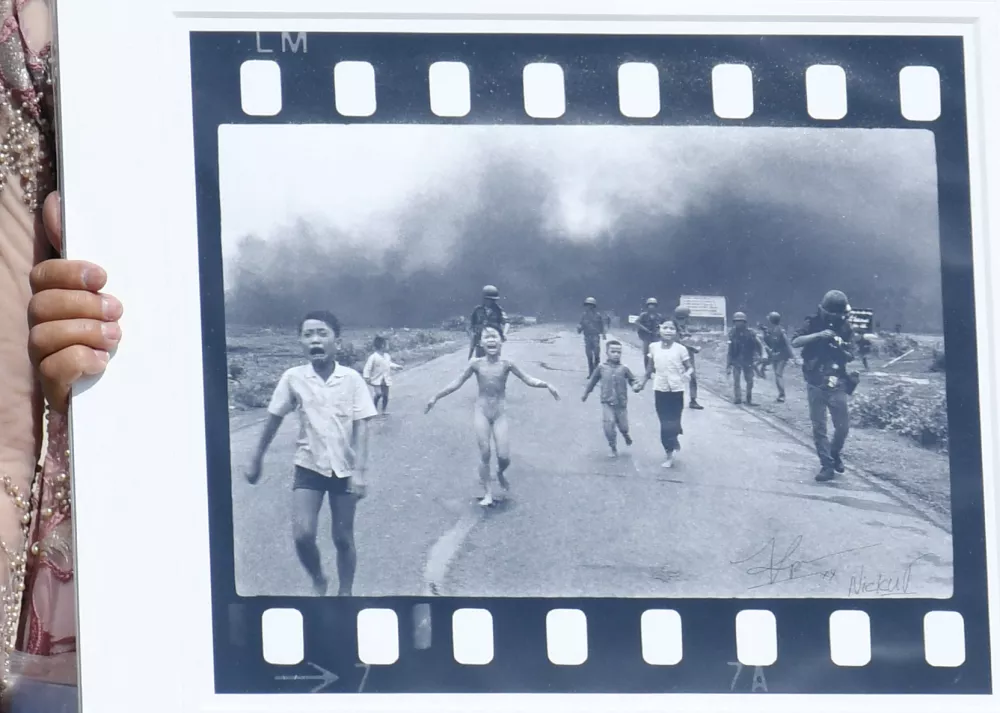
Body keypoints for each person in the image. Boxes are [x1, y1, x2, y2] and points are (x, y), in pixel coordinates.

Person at [245, 310, 378, 596]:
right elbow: (273, 418)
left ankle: (345, 593)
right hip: (309, 466)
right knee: (303, 535)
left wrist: (361, 472)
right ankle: (318, 577)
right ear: (301, 343)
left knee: (343, 538)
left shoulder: (352, 379)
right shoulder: (293, 378)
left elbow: (362, 426)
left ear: (337, 342)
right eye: (308, 335)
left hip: (344, 470)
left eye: (322, 333)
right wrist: (256, 457)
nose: (315, 340)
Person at [425, 327, 560, 507]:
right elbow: (456, 383)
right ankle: (487, 492)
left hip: (499, 413)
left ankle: (500, 473)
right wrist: (436, 396)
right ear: (481, 343)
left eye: (494, 337)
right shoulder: (476, 364)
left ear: (501, 342)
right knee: (485, 453)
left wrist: (547, 385)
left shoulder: (507, 364)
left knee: (504, 456)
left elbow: (528, 379)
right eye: (487, 338)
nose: (491, 340)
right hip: (481, 411)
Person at [791, 290, 858, 482]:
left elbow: (852, 353)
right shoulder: (811, 322)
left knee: (843, 427)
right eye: (833, 314)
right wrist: (818, 335)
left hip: (837, 381)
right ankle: (827, 465)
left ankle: (834, 454)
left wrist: (841, 347)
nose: (836, 318)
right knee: (819, 426)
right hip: (815, 381)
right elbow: (795, 341)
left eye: (839, 314)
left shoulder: (846, 328)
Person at [637, 321, 693, 469]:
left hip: (676, 389)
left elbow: (689, 368)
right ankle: (669, 454)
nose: (668, 331)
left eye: (672, 328)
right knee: (664, 423)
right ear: (659, 330)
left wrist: (687, 375)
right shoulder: (653, 347)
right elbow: (649, 369)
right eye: (665, 328)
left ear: (676, 332)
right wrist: (641, 383)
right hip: (660, 389)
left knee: (674, 421)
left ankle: (674, 433)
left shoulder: (681, 349)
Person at [582, 340, 638, 458]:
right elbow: (592, 381)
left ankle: (625, 434)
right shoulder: (601, 368)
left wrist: (635, 386)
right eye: (613, 351)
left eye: (619, 352)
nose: (616, 354)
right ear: (607, 352)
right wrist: (586, 393)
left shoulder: (624, 369)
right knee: (609, 424)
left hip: (621, 403)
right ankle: (613, 446)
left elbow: (632, 380)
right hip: (607, 402)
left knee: (623, 426)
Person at [672, 305, 704, 410]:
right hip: (677, 356)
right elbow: (678, 342)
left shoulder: (684, 327)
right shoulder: (673, 328)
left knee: (692, 377)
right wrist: (693, 347)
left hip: (688, 356)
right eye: (686, 317)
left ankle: (693, 400)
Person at [726, 312, 762, 405]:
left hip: (748, 359)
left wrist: (759, 356)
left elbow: (759, 345)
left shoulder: (751, 333)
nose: (738, 323)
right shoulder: (732, 333)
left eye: (740, 321)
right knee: (736, 380)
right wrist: (728, 364)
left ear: (744, 322)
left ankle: (748, 399)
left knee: (750, 381)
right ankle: (737, 398)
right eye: (736, 321)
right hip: (736, 360)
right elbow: (730, 350)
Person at [362, 335, 402, 415]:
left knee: (386, 396)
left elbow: (389, 364)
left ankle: (384, 410)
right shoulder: (373, 357)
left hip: (385, 379)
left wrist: (396, 366)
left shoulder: (387, 356)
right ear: (382, 346)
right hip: (377, 380)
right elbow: (367, 368)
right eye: (387, 344)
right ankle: (374, 408)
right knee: (379, 394)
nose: (388, 346)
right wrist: (366, 376)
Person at [468, 284, 507, 359]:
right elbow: (472, 325)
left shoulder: (498, 310)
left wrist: (504, 333)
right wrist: (472, 335)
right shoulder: (477, 310)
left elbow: (506, 322)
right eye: (489, 299)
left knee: (494, 360)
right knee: (479, 360)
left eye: (493, 300)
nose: (491, 302)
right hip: (480, 339)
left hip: (494, 340)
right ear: (484, 299)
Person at [762, 311, 794, 402]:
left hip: (783, 355)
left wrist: (792, 356)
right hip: (775, 355)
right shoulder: (771, 330)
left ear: (771, 320)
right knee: (777, 374)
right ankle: (780, 394)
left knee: (778, 374)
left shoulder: (781, 330)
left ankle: (782, 395)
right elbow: (768, 342)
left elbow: (787, 343)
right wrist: (765, 333)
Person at [578, 296, 606, 377]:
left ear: (593, 306)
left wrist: (603, 334)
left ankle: (596, 373)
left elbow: (602, 325)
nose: (588, 307)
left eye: (590, 305)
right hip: (587, 336)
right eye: (587, 305)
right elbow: (581, 324)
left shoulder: (598, 315)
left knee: (597, 355)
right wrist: (579, 329)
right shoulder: (584, 315)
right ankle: (591, 372)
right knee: (589, 355)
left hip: (595, 336)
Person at [635, 297, 663, 371]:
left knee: (656, 353)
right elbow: (637, 322)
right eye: (650, 305)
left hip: (655, 336)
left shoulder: (659, 316)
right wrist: (645, 329)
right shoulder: (643, 315)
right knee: (647, 353)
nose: (652, 307)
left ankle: (654, 369)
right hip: (646, 336)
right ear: (647, 306)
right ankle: (647, 370)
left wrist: (659, 331)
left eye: (653, 305)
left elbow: (662, 325)